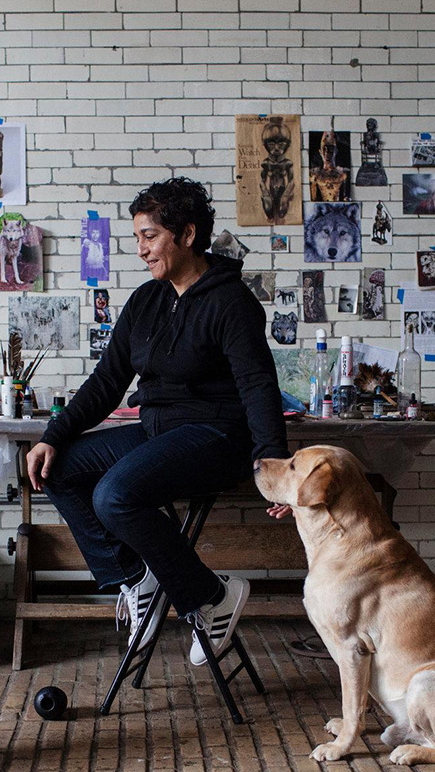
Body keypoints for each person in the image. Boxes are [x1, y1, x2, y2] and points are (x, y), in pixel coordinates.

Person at [25, 177, 287, 666]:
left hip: (216, 436)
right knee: (57, 469)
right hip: (158, 434)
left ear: (186, 235)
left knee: (114, 494)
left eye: (149, 236)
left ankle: (212, 596)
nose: (141, 250)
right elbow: (106, 383)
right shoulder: (147, 301)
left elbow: (258, 385)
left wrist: (274, 465)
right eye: (138, 238)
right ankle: (136, 578)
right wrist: (52, 436)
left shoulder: (232, 302)